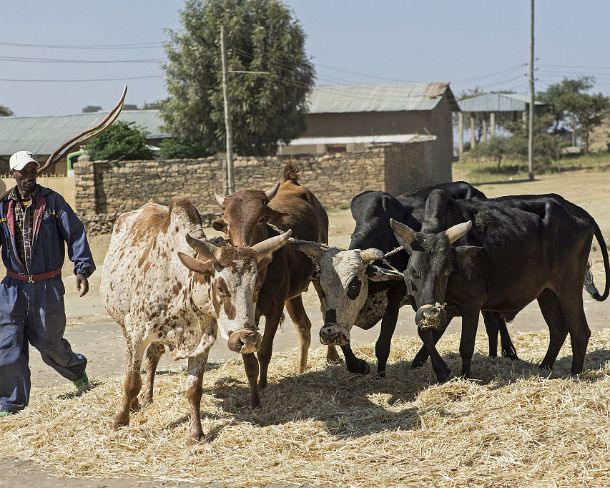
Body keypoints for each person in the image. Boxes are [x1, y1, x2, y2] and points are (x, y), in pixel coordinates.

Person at [0, 150, 95, 416]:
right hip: (12, 287)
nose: (29, 175)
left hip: (46, 286)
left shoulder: (53, 203)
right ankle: (11, 402)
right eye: (23, 171)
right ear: (13, 175)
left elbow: (75, 233)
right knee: (7, 346)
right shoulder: (3, 206)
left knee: (49, 343)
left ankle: (76, 370)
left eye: (33, 170)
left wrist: (82, 268)